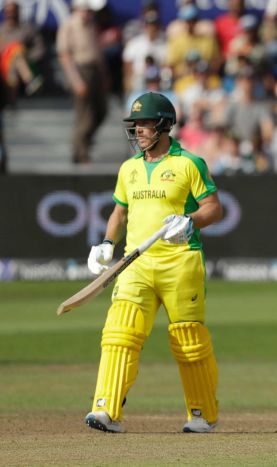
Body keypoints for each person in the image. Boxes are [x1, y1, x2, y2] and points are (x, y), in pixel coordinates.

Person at [84, 92, 223, 434]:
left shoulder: (189, 164)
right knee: (119, 334)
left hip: (181, 262)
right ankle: (106, 411)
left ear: (163, 125)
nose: (139, 130)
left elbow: (214, 208)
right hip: (136, 265)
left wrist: (191, 220)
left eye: (145, 124)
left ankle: (201, 414)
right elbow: (119, 211)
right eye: (136, 125)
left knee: (188, 340)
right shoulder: (129, 169)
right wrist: (105, 243)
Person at [56, 0, 109, 164]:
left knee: (101, 111)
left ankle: (84, 142)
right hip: (80, 71)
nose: (87, 14)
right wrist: (76, 80)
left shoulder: (92, 24)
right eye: (85, 10)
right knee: (85, 114)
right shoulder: (69, 26)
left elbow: (97, 51)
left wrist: (104, 75)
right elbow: (65, 56)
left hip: (95, 72)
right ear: (77, 9)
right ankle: (80, 153)